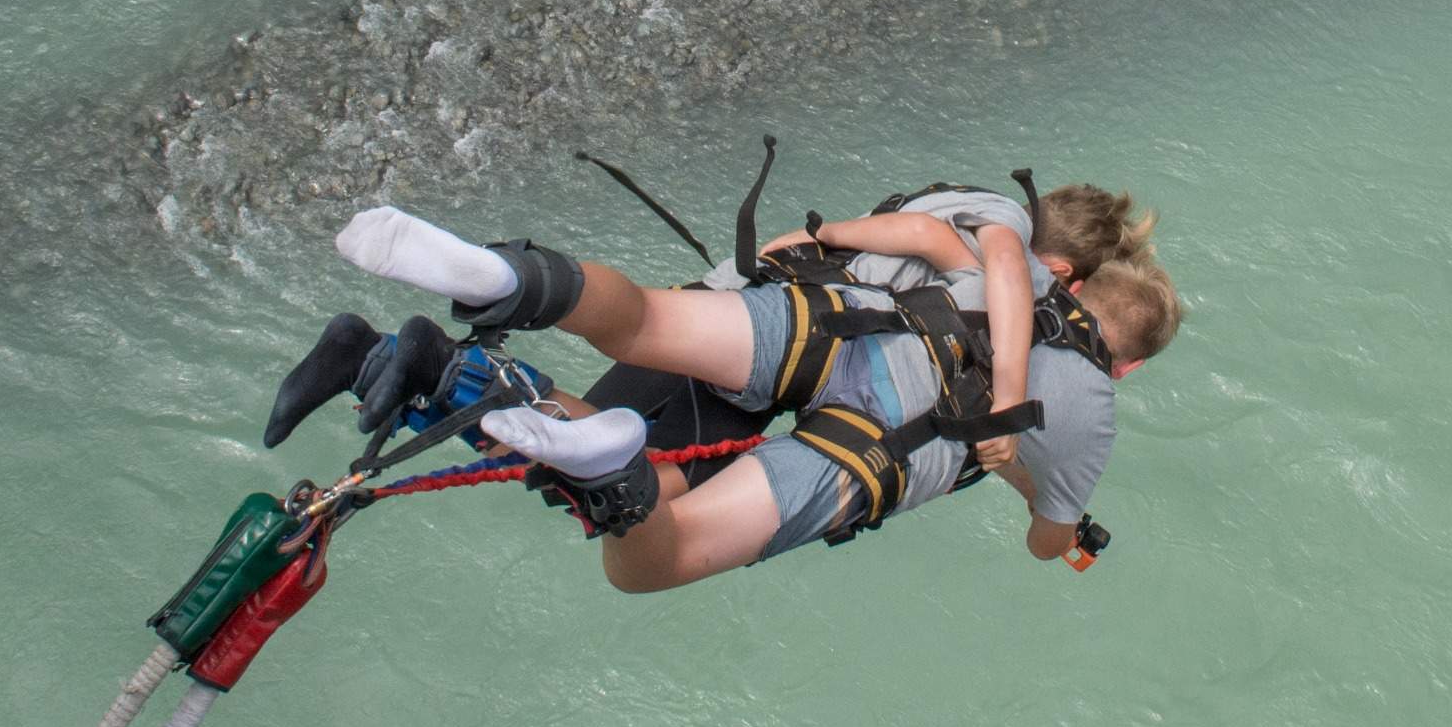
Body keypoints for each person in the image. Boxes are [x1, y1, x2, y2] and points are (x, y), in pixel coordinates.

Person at [267, 193, 1182, 591]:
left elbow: (919, 239)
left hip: (834, 319)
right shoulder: (1093, 413)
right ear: (1129, 367)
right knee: (653, 553)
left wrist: (803, 239)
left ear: (1078, 285)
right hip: (877, 442)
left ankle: (505, 278)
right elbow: (1045, 538)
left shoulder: (1009, 259)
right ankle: (611, 473)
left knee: (644, 323)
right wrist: (1051, 505)